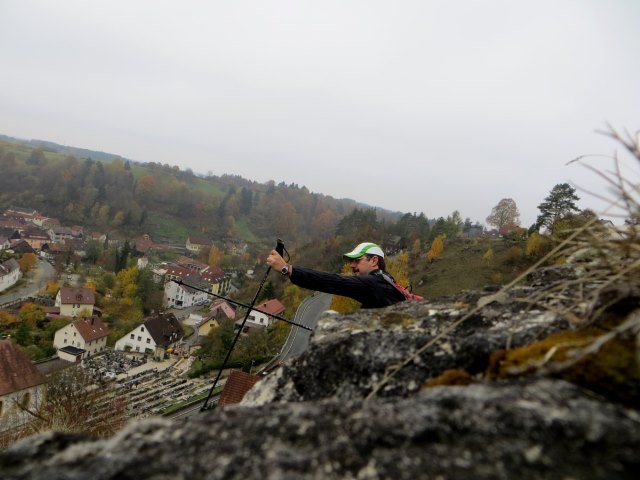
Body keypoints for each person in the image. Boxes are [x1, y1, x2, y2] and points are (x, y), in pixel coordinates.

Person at [266, 242, 406, 308]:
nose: (352, 265)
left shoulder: (372, 283)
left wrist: (287, 269)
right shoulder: (387, 280)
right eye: (351, 261)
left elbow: (333, 282)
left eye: (357, 260)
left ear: (374, 260)